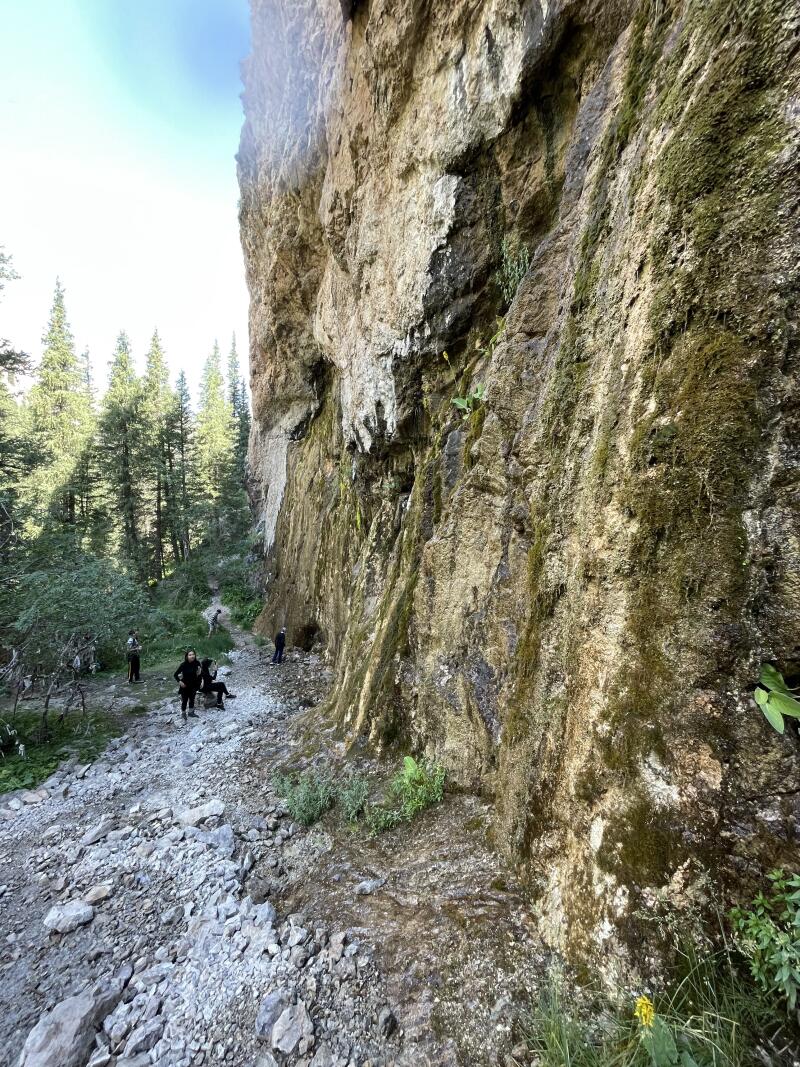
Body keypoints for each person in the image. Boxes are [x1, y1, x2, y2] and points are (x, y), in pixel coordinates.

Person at [174, 649, 203, 721]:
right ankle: (183, 713)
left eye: (193, 654)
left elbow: (200, 674)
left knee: (192, 699)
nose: (192, 656)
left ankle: (191, 712)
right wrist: (180, 682)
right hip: (185, 685)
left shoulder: (197, 663)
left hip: (194, 684)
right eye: (190, 655)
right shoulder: (183, 665)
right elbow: (175, 675)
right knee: (184, 700)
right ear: (187, 656)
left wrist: (200, 681)